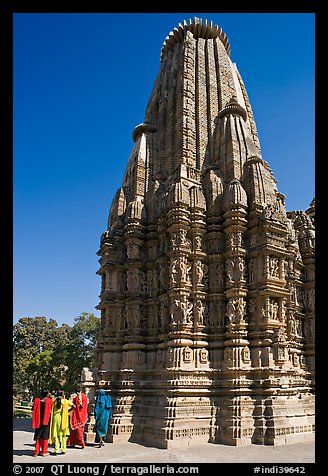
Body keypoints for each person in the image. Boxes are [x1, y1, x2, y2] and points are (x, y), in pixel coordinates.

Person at [49, 390, 74, 455]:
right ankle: (63, 449)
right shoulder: (65, 401)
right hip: (63, 418)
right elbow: (74, 406)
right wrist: (68, 411)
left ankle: (56, 450)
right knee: (63, 435)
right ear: (63, 395)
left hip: (56, 418)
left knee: (56, 435)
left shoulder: (54, 401)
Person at [31, 389, 53, 457]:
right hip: (46, 420)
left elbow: (32, 409)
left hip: (38, 420)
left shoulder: (37, 400)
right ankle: (44, 451)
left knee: (38, 436)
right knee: (45, 436)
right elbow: (51, 408)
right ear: (47, 394)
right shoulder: (49, 401)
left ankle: (36, 452)